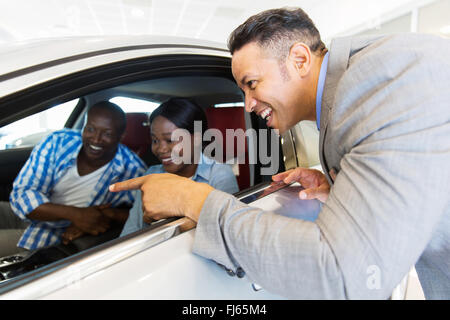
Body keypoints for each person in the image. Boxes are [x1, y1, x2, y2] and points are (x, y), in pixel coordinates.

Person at [109, 8, 450, 299]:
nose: (247, 104)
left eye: (252, 84)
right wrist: (348, 184)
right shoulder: (353, 96)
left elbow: (348, 275)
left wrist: (196, 201)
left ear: (300, 59)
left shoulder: (382, 82)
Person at [0, 101, 147, 257]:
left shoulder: (133, 170)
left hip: (48, 234)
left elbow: (144, 213)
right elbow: (22, 193)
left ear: (121, 136)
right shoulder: (58, 141)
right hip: (21, 213)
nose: (96, 139)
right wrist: (76, 214)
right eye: (90, 129)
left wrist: (109, 215)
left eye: (107, 133)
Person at [120, 97, 239, 237]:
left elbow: (225, 231)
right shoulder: (152, 174)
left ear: (196, 139)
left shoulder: (219, 174)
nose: (161, 149)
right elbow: (130, 233)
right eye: (155, 140)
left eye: (170, 140)